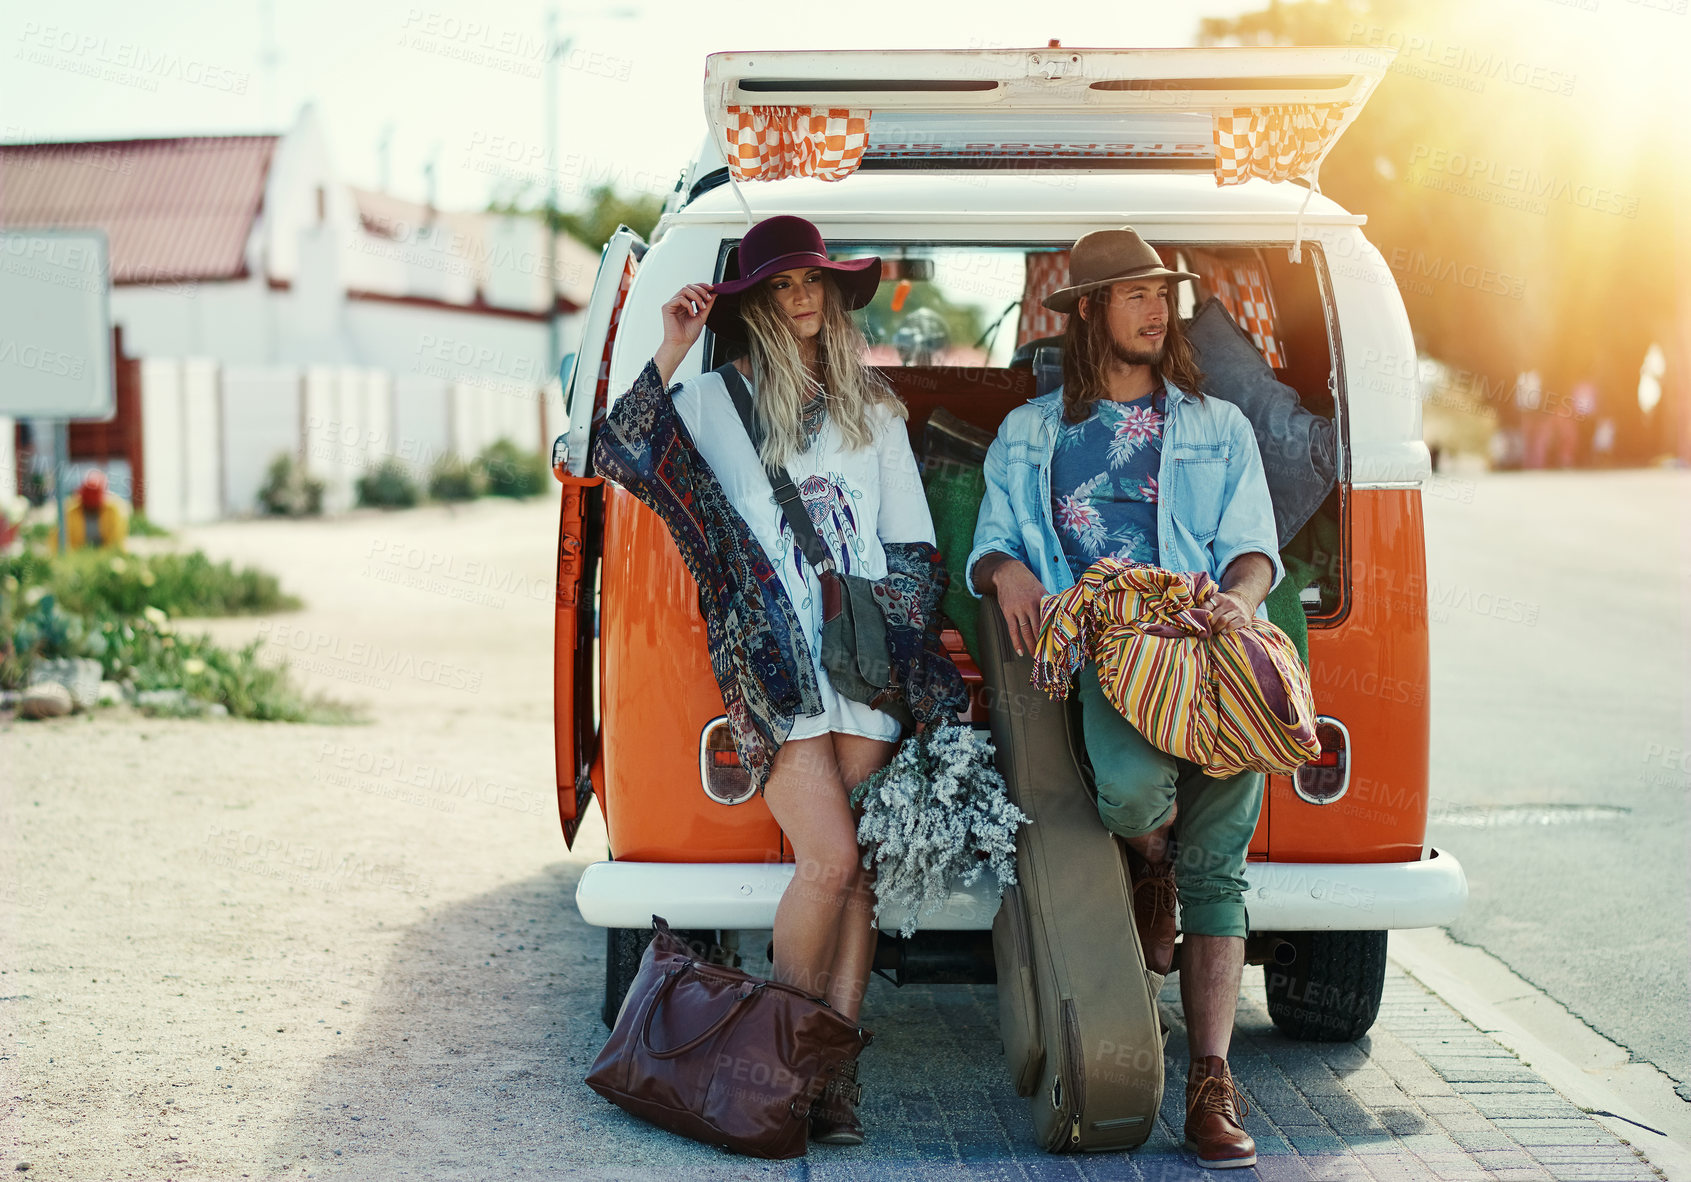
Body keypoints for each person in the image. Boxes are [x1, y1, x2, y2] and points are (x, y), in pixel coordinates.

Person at [593, 214, 961, 1147]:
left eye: (815, 283)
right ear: (753, 301)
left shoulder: (872, 409)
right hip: (775, 667)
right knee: (828, 860)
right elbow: (616, 449)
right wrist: (672, 342)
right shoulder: (716, 400)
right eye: (780, 284)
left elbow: (910, 545)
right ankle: (776, 1066)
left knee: (861, 878)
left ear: (834, 296)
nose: (802, 297)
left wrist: (900, 658)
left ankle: (831, 1088)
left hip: (863, 664)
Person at [966, 228, 1281, 1170]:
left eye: (1163, 294)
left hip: (1209, 646)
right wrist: (1005, 570)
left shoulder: (1217, 425)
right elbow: (986, 539)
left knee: (1218, 869)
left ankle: (1210, 1085)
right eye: (1136, 294)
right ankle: (1152, 864)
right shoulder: (1031, 434)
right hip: (1111, 650)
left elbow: (1252, 544)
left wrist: (1238, 603)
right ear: (1090, 310)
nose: (1156, 309)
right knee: (1135, 800)